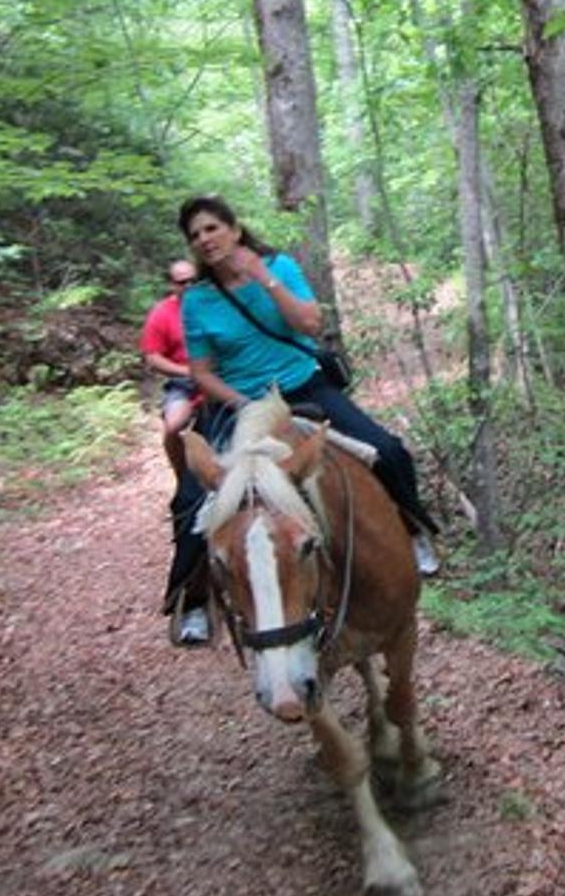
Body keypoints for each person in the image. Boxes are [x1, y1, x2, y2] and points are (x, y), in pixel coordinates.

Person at [160, 195, 440, 643]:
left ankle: (412, 532)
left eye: (212, 228)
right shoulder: (197, 300)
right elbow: (202, 373)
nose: (205, 239)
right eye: (195, 235)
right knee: (193, 499)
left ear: (234, 230)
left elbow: (310, 324)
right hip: (239, 403)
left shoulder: (280, 266)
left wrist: (263, 277)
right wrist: (241, 404)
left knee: (387, 450)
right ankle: (191, 600)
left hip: (303, 387)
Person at [139, 259, 200, 479]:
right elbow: (152, 356)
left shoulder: (215, 305)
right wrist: (186, 372)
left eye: (194, 280)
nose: (189, 286)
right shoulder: (162, 313)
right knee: (174, 426)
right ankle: (182, 479)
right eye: (183, 282)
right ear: (173, 285)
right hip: (185, 382)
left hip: (222, 375)